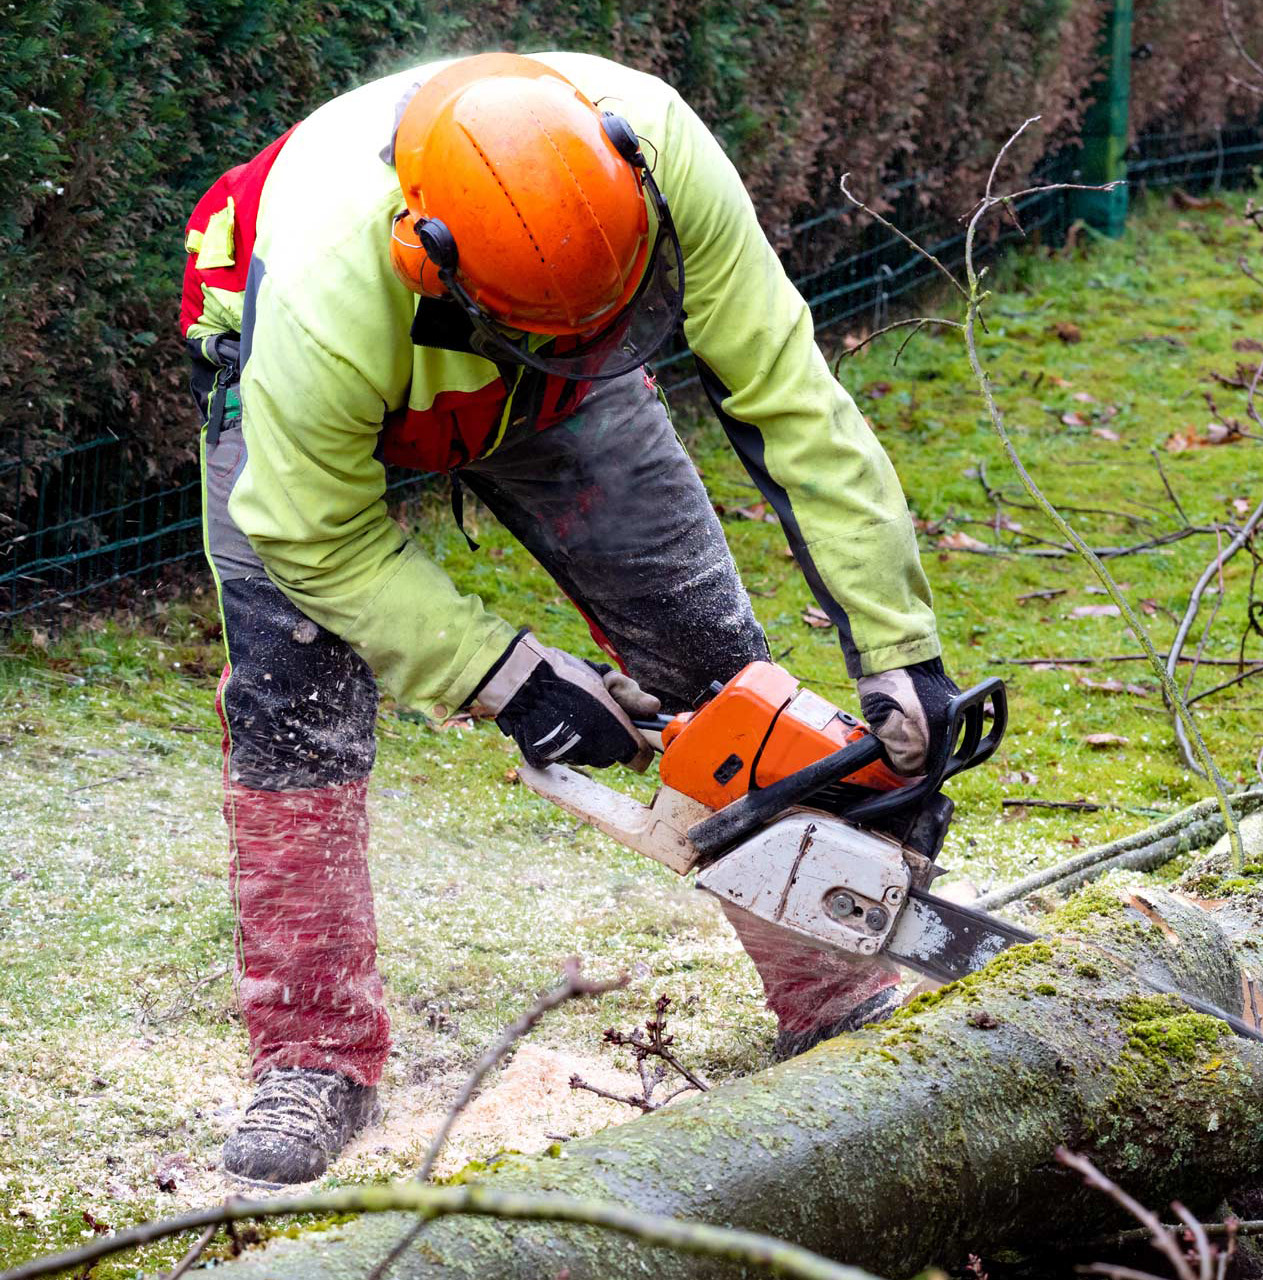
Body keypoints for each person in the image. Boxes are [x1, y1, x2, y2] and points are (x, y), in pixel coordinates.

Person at [178, 51, 958, 1186]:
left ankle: (831, 983)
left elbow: (790, 394)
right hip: (307, 394)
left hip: (550, 373)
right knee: (291, 713)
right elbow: (309, 527)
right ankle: (311, 1058)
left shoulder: (657, 144)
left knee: (704, 650)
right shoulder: (327, 285)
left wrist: (900, 650)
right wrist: (501, 674)